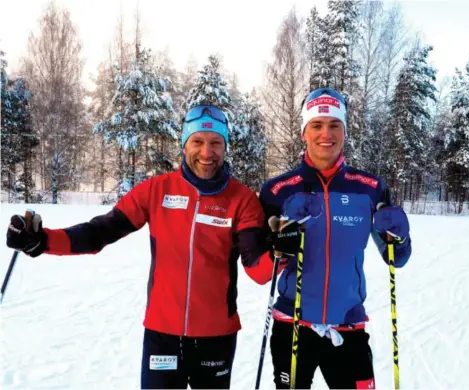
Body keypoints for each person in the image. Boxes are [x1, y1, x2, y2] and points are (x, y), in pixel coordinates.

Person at [5, 105, 293, 390]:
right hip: (162, 334)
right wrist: (42, 241)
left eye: (216, 143)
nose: (207, 153)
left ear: (225, 146)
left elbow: (257, 268)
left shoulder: (241, 200)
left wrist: (279, 253)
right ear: (184, 144)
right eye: (198, 142)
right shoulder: (158, 190)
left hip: (216, 337)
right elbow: (100, 231)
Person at [246, 88, 412, 389]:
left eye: (335, 125)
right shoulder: (277, 191)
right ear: (304, 133)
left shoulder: (370, 189)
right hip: (292, 324)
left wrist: (399, 238)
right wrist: (279, 252)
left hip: (348, 325)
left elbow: (395, 258)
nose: (326, 134)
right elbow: (258, 271)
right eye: (317, 125)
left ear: (345, 131)